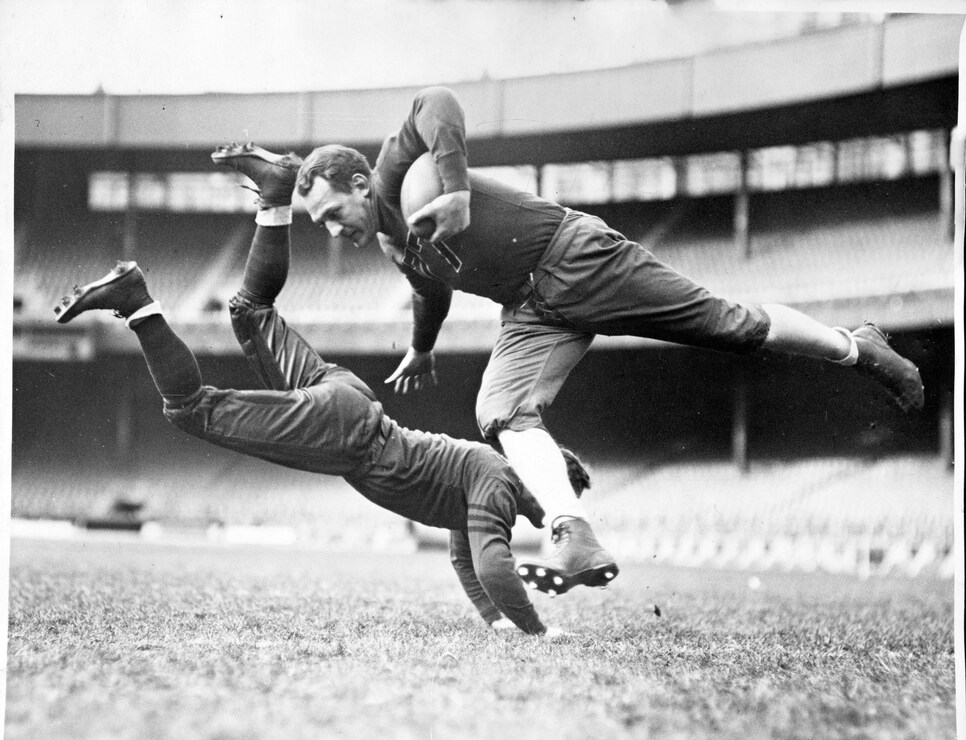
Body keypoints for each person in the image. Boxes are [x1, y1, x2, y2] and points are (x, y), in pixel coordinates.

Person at [239, 85, 927, 597]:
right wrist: (423, 345)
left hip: (575, 256)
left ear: (359, 183)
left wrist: (455, 190)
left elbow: (437, 102)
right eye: (321, 224)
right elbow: (433, 290)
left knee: (732, 327)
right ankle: (571, 532)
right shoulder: (392, 239)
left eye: (335, 213)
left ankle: (856, 346)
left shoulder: (399, 174)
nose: (335, 230)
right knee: (499, 412)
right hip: (530, 308)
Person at [52, 146, 598, 637]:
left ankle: (274, 195)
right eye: (555, 505)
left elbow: (466, 560)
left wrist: (498, 621)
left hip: (349, 402)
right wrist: (535, 631)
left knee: (249, 311)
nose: (549, 517)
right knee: (192, 410)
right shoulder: (499, 486)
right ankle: (136, 302)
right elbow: (492, 565)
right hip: (350, 435)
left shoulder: (487, 479)